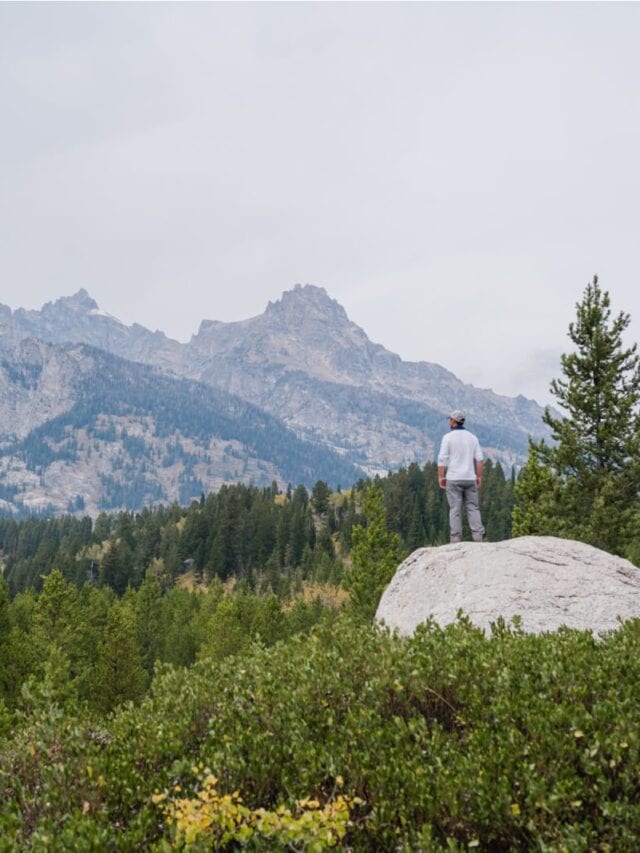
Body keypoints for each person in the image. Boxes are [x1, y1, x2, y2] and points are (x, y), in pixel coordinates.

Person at [437, 409, 485, 543]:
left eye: (449, 419)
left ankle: (456, 538)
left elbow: (442, 459)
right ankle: (477, 536)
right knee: (473, 507)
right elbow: (479, 460)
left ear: (453, 421)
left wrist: (441, 477)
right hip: (470, 478)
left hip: (453, 478)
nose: (448, 421)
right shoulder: (472, 437)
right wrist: (478, 476)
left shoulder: (448, 438)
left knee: (455, 509)